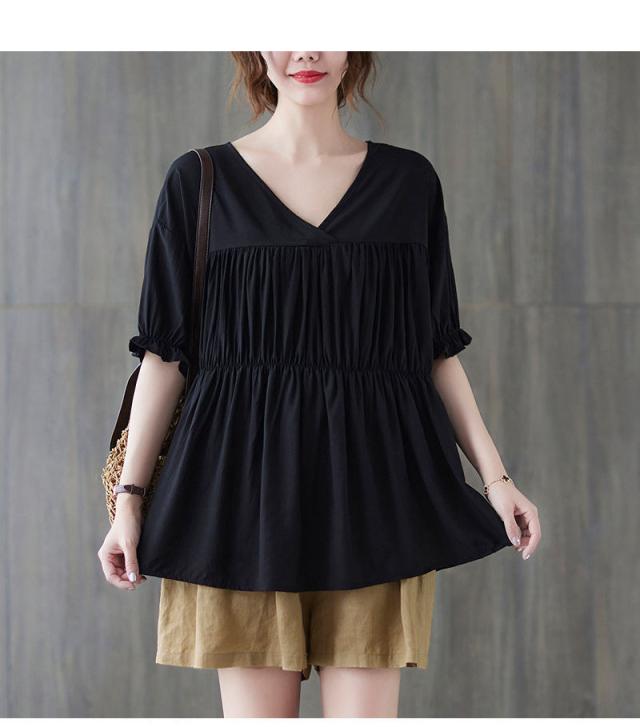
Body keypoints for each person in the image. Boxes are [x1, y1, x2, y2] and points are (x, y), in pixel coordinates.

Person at [97, 51, 542, 718]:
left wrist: (498, 480)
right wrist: (129, 501)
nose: (305, 49)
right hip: (238, 497)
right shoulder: (200, 179)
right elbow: (166, 356)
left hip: (376, 494)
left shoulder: (409, 183)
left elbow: (435, 351)